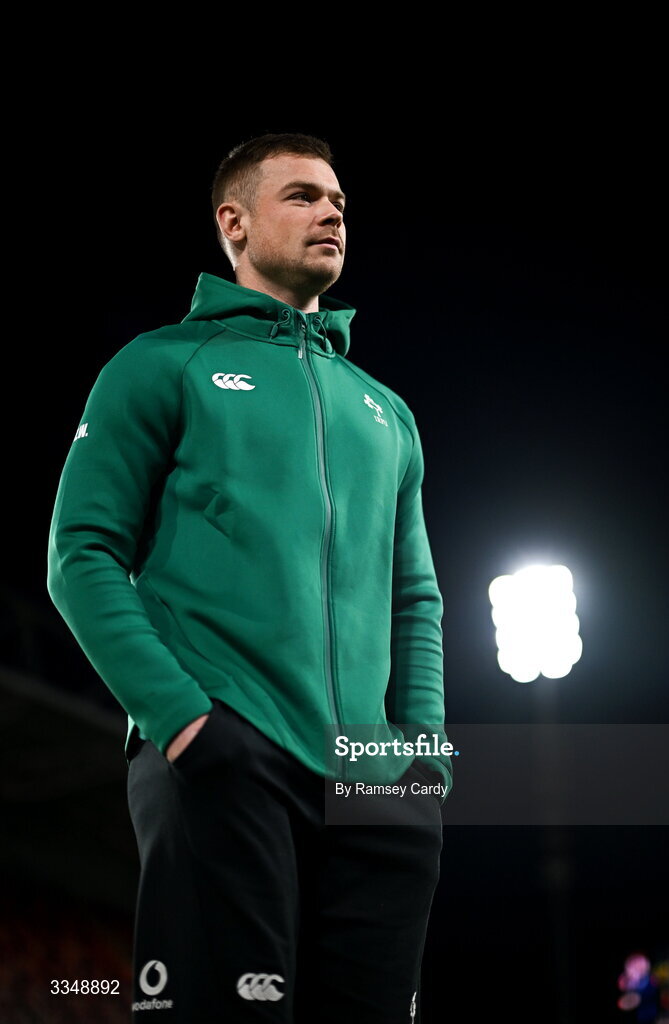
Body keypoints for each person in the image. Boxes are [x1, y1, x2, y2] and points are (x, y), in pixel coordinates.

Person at [47, 132, 452, 1023]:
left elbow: (415, 600)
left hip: (371, 786)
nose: (333, 211)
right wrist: (186, 722)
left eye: (339, 199)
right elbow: (79, 556)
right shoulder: (158, 365)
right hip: (226, 755)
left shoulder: (388, 412)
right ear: (233, 222)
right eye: (303, 196)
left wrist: (422, 764)